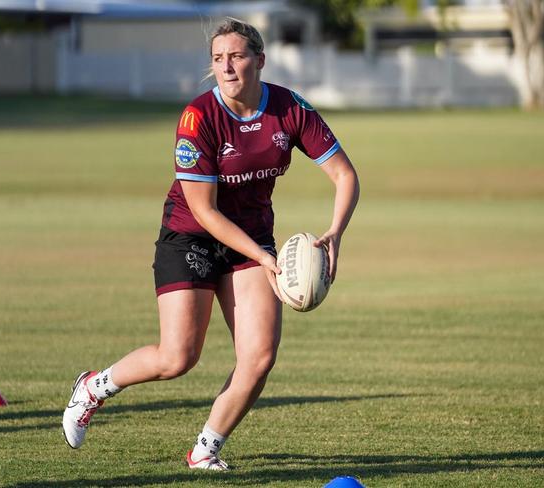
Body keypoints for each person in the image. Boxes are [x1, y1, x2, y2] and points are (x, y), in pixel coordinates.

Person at [62, 18, 359, 470]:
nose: (228, 67)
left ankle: (206, 449)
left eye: (237, 56)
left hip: (252, 236)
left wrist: (335, 232)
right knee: (178, 356)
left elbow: (344, 175)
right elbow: (205, 211)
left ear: (260, 60)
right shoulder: (198, 118)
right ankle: (94, 387)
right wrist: (263, 256)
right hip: (191, 236)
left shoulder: (289, 109)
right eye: (218, 59)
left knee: (258, 357)